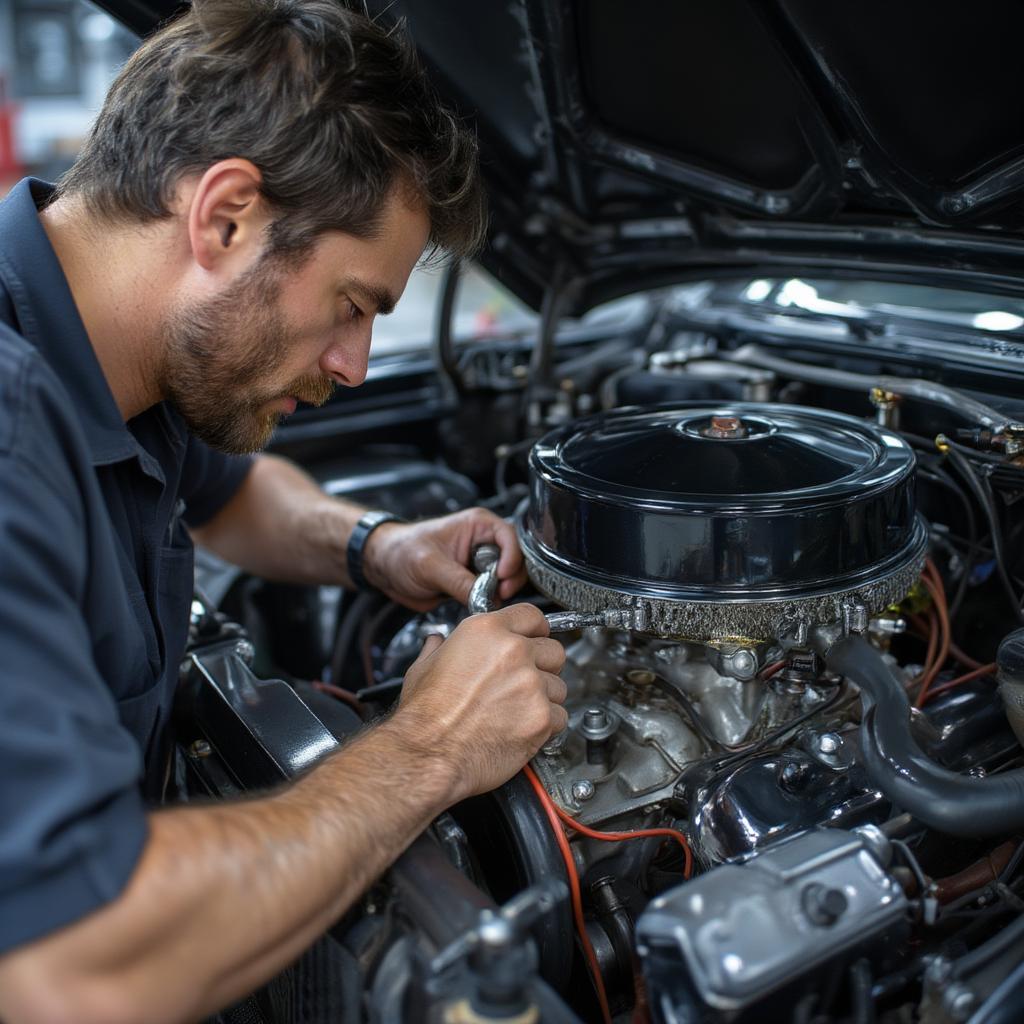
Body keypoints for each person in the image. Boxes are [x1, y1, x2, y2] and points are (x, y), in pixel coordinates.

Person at [0, 1, 568, 1021]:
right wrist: (431, 744)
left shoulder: (121, 346)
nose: (353, 366)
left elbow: (233, 497)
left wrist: (376, 547)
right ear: (224, 216)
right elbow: (70, 965)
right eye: (353, 305)